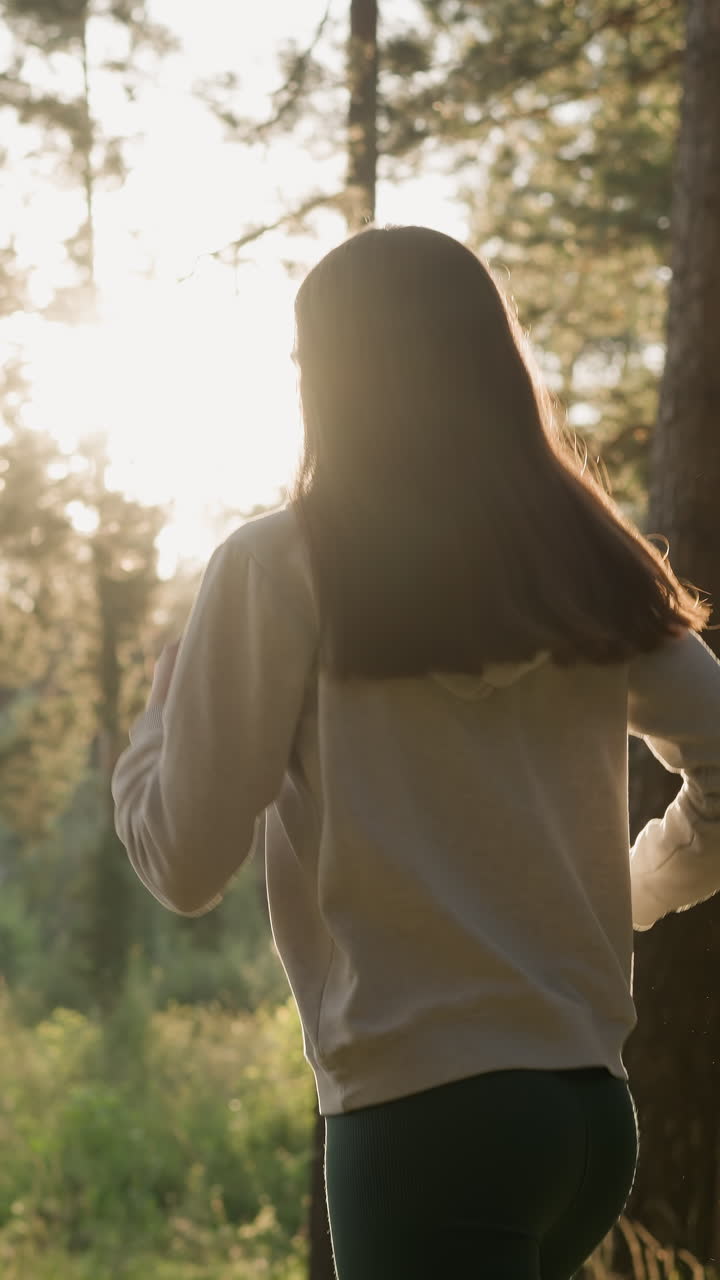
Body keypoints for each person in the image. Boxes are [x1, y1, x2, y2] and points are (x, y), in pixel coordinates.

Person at [112, 225, 720, 1280]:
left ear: (333, 378)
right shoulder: (583, 560)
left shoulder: (281, 564)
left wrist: (153, 728)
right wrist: (631, 890)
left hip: (426, 1125)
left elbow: (182, 861)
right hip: (584, 1115)